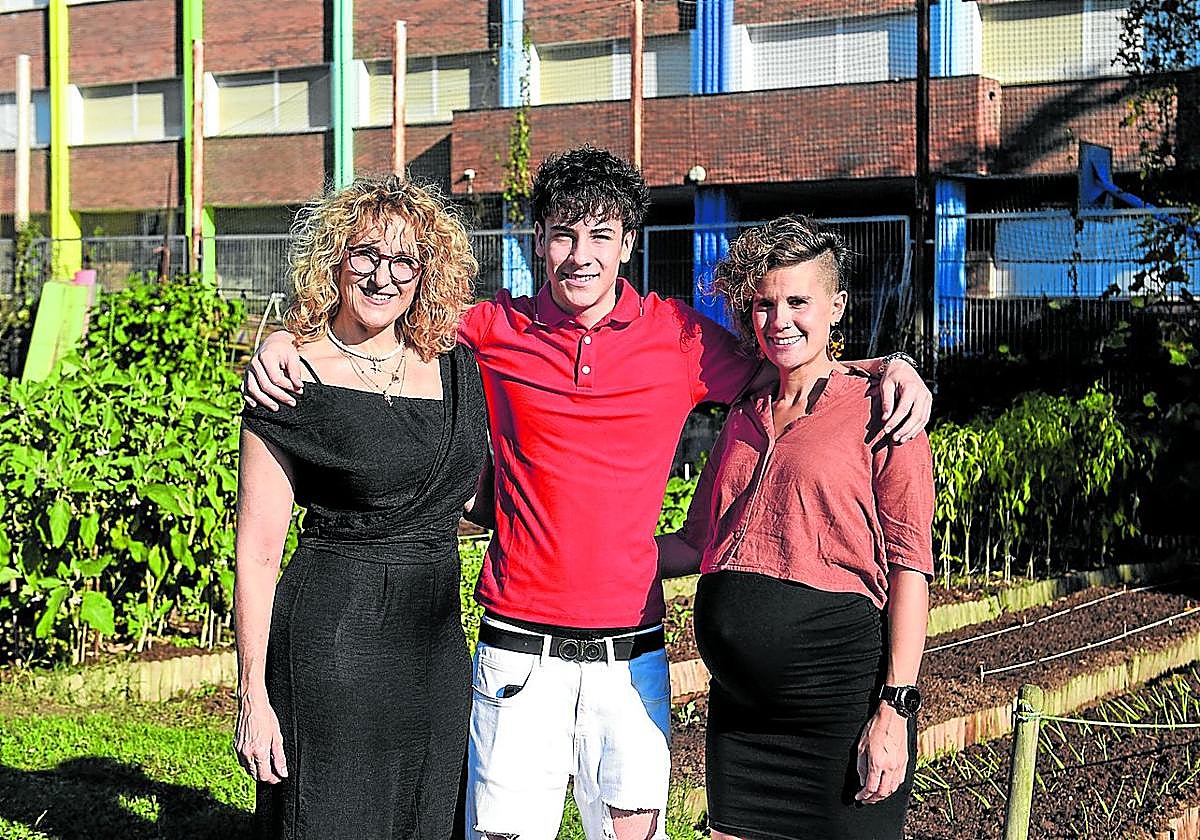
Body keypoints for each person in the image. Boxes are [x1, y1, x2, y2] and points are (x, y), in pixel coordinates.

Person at [242, 146, 932, 840]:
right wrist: (285, 338)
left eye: (601, 234)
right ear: (538, 241)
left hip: (629, 658)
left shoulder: (682, 339)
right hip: (517, 654)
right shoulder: (492, 331)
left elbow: (789, 356)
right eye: (565, 233)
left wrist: (887, 369)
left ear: (628, 244)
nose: (581, 254)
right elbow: (380, 328)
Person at [657, 215, 934, 840]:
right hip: (740, 719)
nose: (779, 319)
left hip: (838, 710)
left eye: (798, 301)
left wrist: (896, 707)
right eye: (763, 303)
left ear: (836, 306)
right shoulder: (744, 410)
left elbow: (911, 570)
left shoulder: (884, 408)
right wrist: (591, 554)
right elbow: (697, 542)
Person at [233, 174, 487, 839]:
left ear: (426, 273)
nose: (383, 276)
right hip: (333, 644)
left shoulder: (459, 368)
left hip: (432, 647)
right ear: (336, 259)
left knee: (428, 817)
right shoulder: (290, 379)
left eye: (405, 259)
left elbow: (456, 501)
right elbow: (258, 555)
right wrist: (252, 696)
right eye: (365, 254)